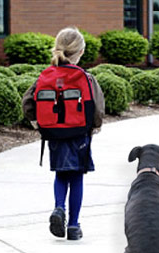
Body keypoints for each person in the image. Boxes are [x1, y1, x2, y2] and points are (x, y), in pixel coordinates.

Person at [22, 27, 105, 240]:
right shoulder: (85, 77)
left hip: (54, 133)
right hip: (79, 134)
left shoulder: (47, 75)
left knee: (61, 174)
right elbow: (97, 105)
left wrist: (36, 123)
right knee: (77, 176)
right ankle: (74, 226)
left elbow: (28, 100)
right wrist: (95, 125)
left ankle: (59, 208)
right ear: (81, 52)